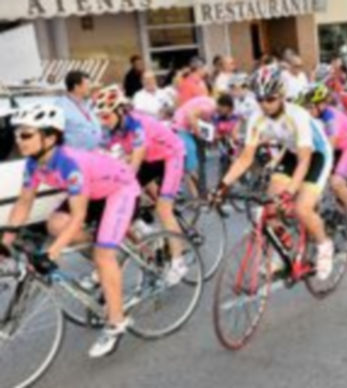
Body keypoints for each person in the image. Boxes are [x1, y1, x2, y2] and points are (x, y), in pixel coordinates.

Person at [3, 104, 140, 358]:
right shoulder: (33, 163)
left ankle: (117, 322)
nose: (18, 140)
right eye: (17, 134)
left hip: (119, 189)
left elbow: (78, 216)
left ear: (50, 137)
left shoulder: (70, 164)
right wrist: (4, 244)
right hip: (94, 192)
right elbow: (24, 204)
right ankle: (108, 252)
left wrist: (51, 254)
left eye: (26, 135)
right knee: (54, 224)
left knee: (102, 254)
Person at [212, 68, 336, 280]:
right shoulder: (256, 118)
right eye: (260, 99)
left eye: (270, 99)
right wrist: (222, 186)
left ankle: (325, 245)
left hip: (316, 155)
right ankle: (281, 252)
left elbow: (305, 159)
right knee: (268, 209)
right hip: (290, 152)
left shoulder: (297, 115)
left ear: (281, 95)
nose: (265, 105)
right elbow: (245, 158)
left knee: (301, 208)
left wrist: (290, 191)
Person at [92, 85, 188, 282]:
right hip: (151, 159)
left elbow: (135, 162)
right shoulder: (110, 130)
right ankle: (150, 236)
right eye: (100, 116)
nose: (104, 121)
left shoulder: (136, 124)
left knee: (163, 209)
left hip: (171, 156)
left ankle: (179, 262)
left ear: (120, 111)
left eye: (107, 116)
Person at [301, 84, 347, 227]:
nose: (308, 110)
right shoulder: (311, 117)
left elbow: (328, 146)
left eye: (311, 107)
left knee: (336, 182)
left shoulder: (331, 118)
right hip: (337, 146)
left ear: (321, 105)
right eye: (306, 107)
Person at [171, 95, 217, 194]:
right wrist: (198, 133)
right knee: (192, 165)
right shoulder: (210, 107)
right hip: (182, 128)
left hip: (179, 126)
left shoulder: (208, 103)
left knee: (188, 165)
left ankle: (195, 194)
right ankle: (201, 192)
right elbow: (191, 115)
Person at [56, 70, 104, 150]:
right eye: (87, 85)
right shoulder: (60, 107)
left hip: (92, 153)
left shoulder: (85, 104)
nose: (89, 87)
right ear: (76, 87)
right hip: (74, 156)